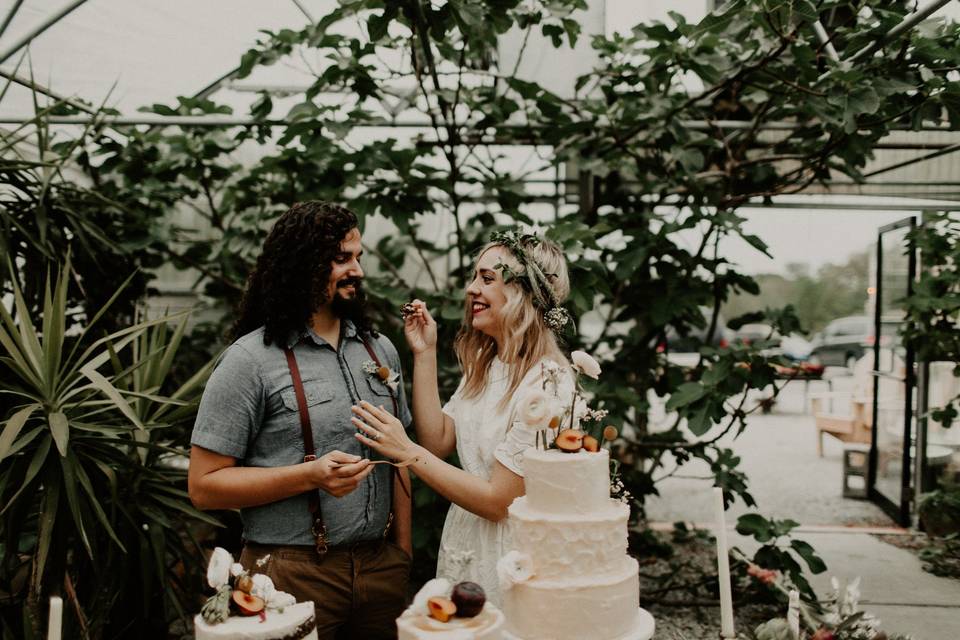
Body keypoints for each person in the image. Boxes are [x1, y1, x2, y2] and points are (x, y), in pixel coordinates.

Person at [188, 201, 412, 640]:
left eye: (358, 257)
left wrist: (400, 553)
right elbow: (203, 485)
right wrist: (310, 476)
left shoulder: (378, 350)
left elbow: (401, 458)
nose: (358, 271)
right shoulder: (248, 361)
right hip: (289, 575)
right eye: (342, 258)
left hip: (381, 571)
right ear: (303, 263)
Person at [351, 230, 575, 605]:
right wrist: (425, 353)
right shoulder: (489, 366)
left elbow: (499, 501)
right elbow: (437, 442)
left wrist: (406, 452)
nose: (472, 289)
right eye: (474, 277)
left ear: (524, 294)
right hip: (466, 536)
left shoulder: (549, 383)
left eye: (487, 279)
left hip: (514, 553)